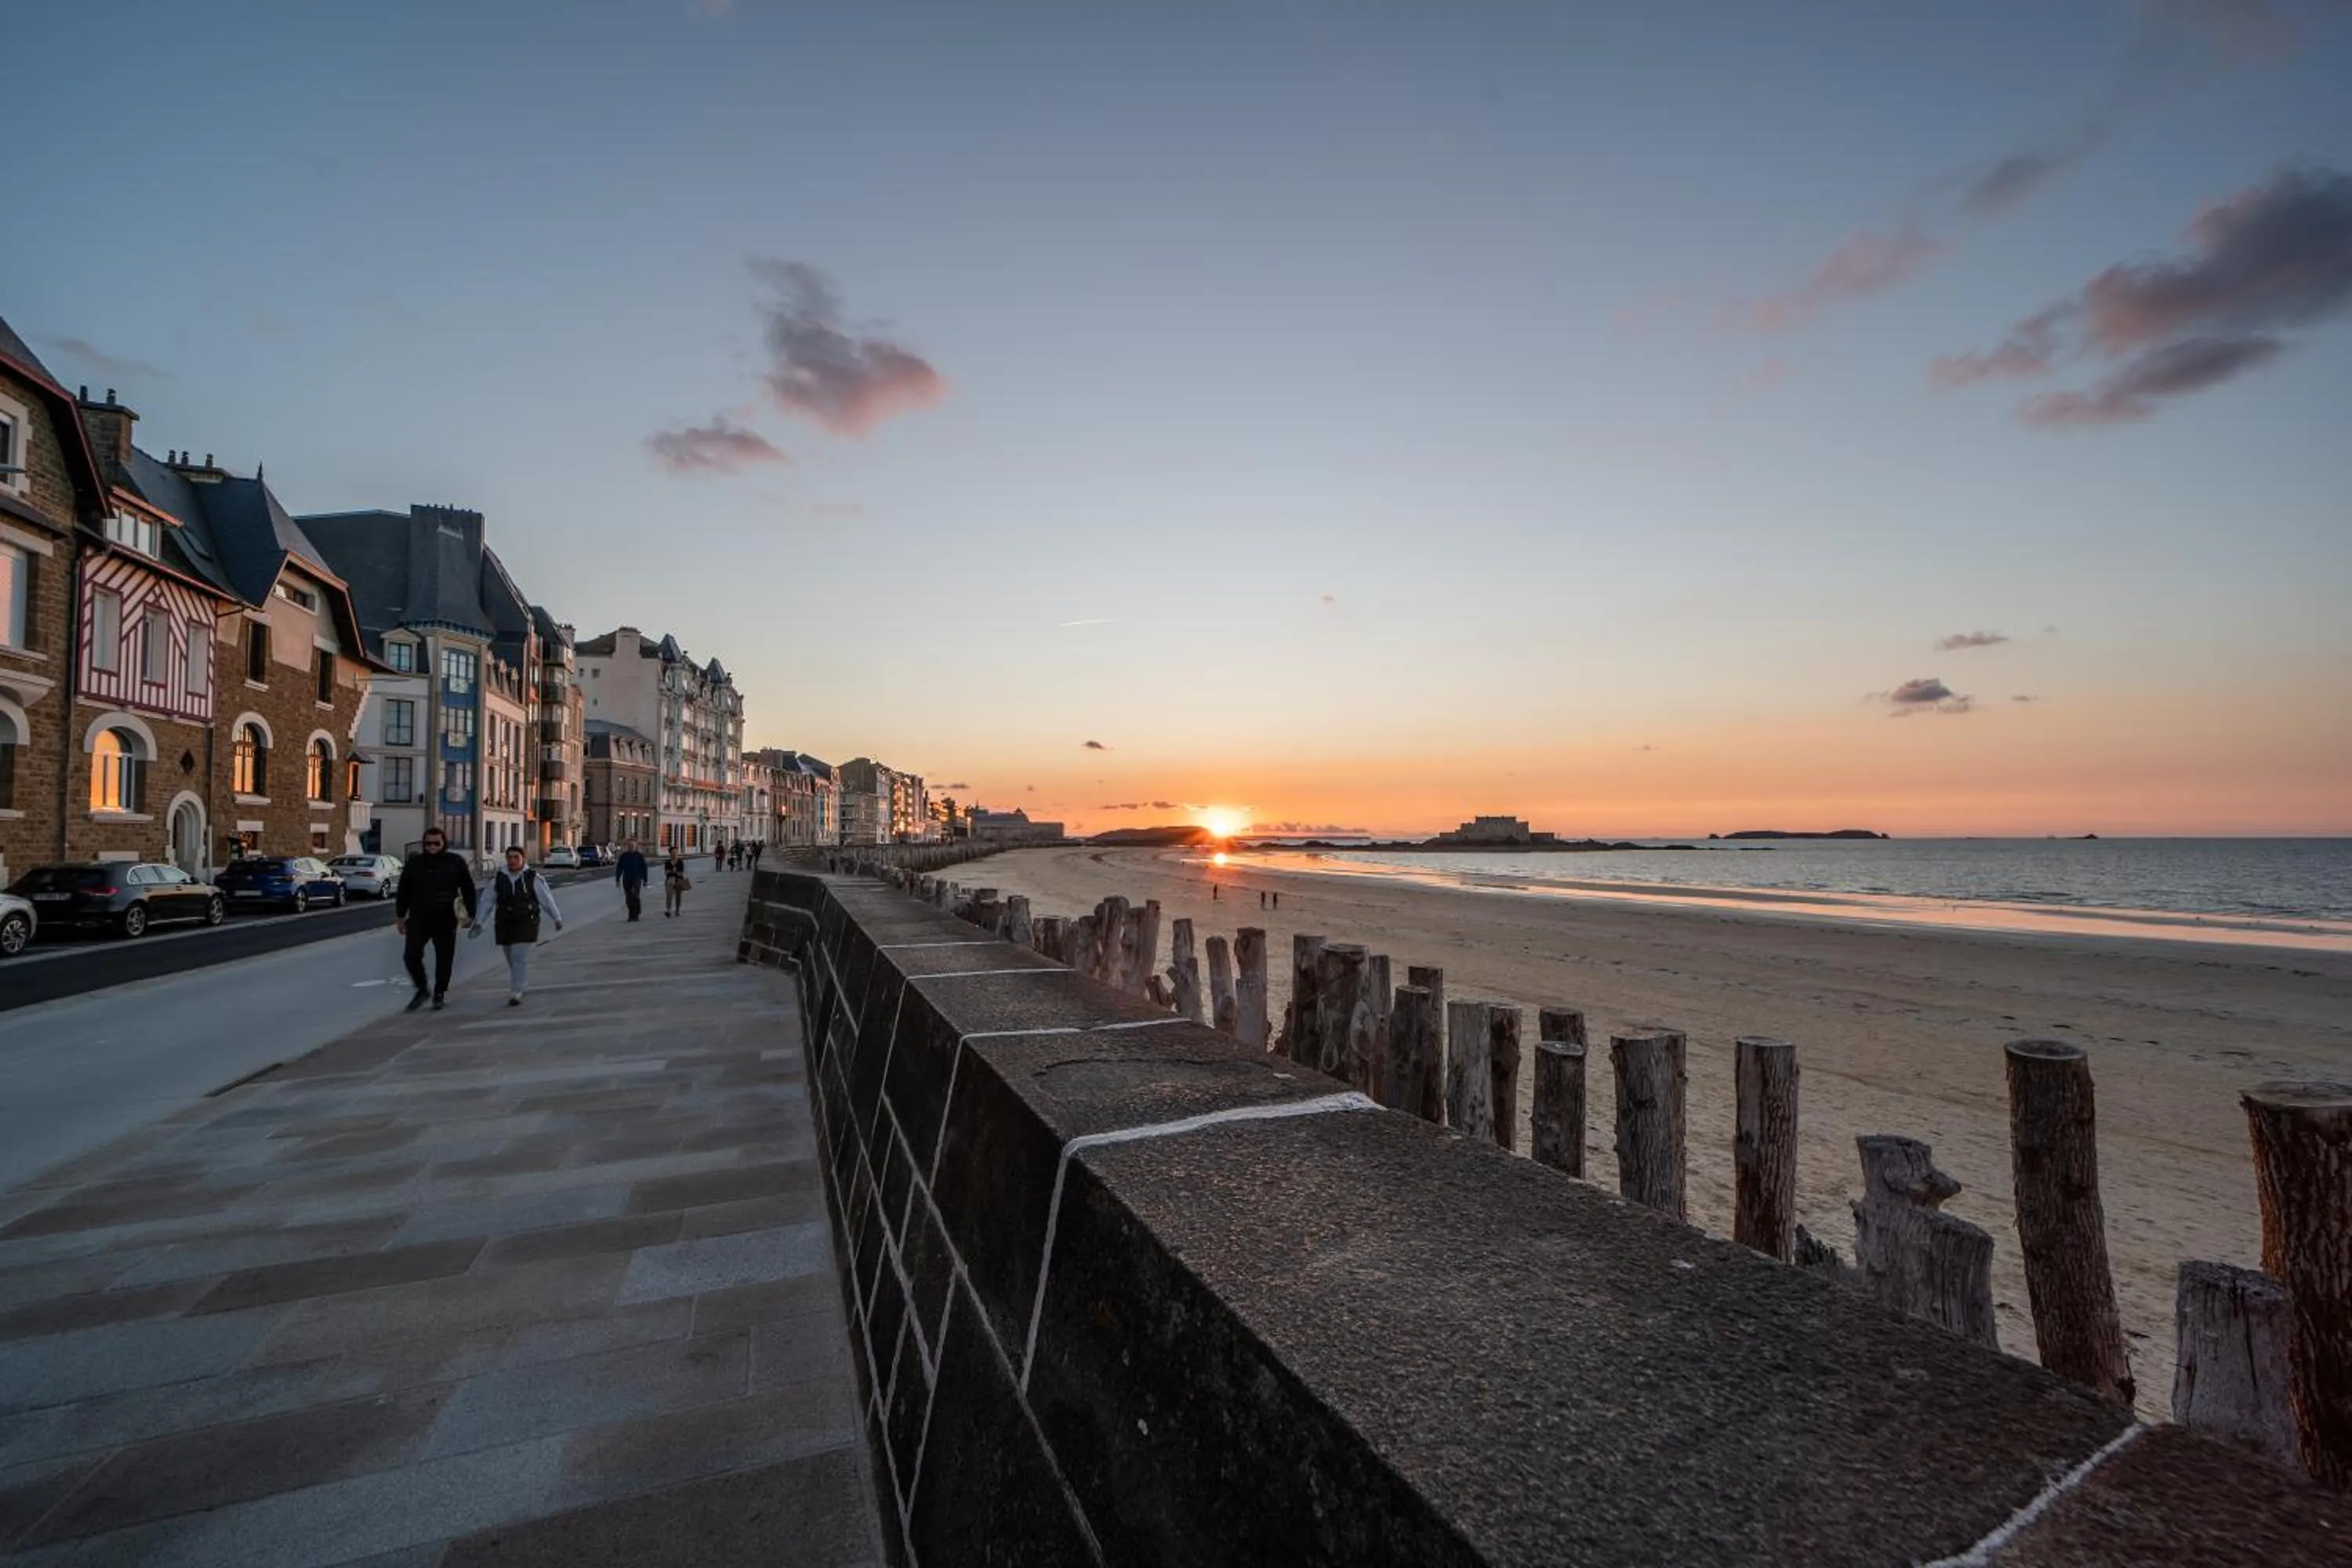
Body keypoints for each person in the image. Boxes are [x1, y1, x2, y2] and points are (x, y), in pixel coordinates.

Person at [395, 827, 478, 1012]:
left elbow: (468, 888)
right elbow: (403, 891)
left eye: (436, 843)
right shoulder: (415, 863)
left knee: (444, 959)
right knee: (411, 956)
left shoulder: (455, 862)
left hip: (445, 918)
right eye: (428, 843)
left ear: (444, 843)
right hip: (419, 917)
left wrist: (471, 914)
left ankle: (439, 993)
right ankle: (422, 989)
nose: (432, 847)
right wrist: (401, 917)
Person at [479, 845, 563, 1005]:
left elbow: (546, 899)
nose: (512, 861)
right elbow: (487, 901)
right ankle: (521, 982)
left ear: (523, 859)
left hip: (526, 920)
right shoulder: (499, 878)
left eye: (516, 857)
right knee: (510, 955)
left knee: (519, 956)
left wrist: (557, 918)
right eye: (509, 857)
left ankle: (516, 990)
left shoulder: (532, 877)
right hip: (504, 920)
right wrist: (480, 921)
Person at [615, 838, 650, 921]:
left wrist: (645, 880)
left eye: (633, 846)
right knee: (628, 897)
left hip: (637, 879)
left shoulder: (639, 856)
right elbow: (619, 868)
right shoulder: (624, 856)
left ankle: (635, 915)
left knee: (635, 895)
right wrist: (617, 879)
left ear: (636, 846)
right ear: (627, 846)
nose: (631, 847)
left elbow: (644, 868)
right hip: (627, 878)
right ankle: (632, 913)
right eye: (629, 846)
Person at [664, 847, 691, 916]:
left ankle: (677, 910)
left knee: (678, 896)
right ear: (670, 854)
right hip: (670, 880)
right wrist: (674, 871)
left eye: (676, 853)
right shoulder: (667, 862)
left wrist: (673, 871)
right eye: (673, 853)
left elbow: (681, 872)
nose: (675, 854)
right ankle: (668, 910)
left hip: (678, 881)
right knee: (669, 896)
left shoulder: (680, 862)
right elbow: (667, 872)